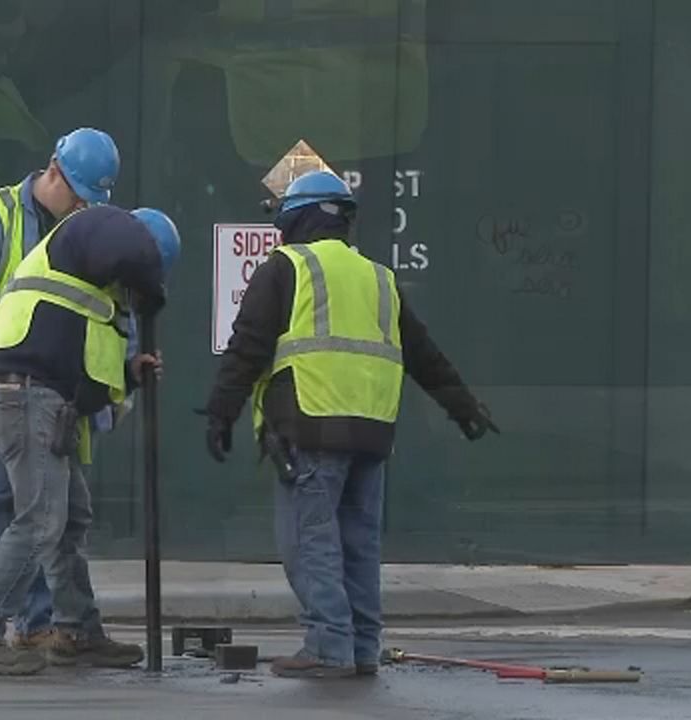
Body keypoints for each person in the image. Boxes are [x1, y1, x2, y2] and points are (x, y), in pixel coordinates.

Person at [202, 170, 497, 679]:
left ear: (298, 216)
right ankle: (362, 647)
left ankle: (327, 646)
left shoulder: (285, 267)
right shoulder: (378, 277)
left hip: (310, 426)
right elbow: (425, 355)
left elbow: (247, 347)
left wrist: (221, 412)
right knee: (360, 544)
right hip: (372, 432)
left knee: (309, 540)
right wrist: (463, 407)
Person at [0, 205, 181, 676]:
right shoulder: (90, 233)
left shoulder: (88, 296)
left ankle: (77, 631)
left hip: (36, 398)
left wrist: (130, 375)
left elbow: (87, 382)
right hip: (21, 393)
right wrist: (154, 286)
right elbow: (127, 244)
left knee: (70, 514)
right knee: (40, 520)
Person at [0, 128, 122, 652]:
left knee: (46, 511)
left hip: (55, 396)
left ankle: (38, 625)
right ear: (54, 172)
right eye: (79, 198)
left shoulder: (85, 231)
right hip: (1, 391)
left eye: (91, 203)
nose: (81, 210)